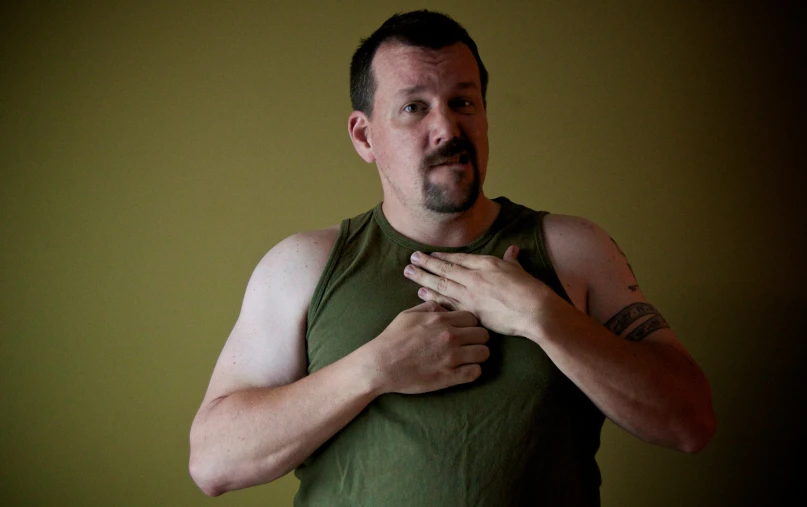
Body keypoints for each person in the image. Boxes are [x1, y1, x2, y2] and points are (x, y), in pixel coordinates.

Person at [189, 10, 715, 505]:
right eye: (414, 107)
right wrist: (374, 369)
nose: (447, 129)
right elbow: (214, 462)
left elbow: (690, 421)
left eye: (463, 102)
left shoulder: (574, 249)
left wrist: (542, 316)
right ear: (364, 135)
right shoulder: (301, 267)